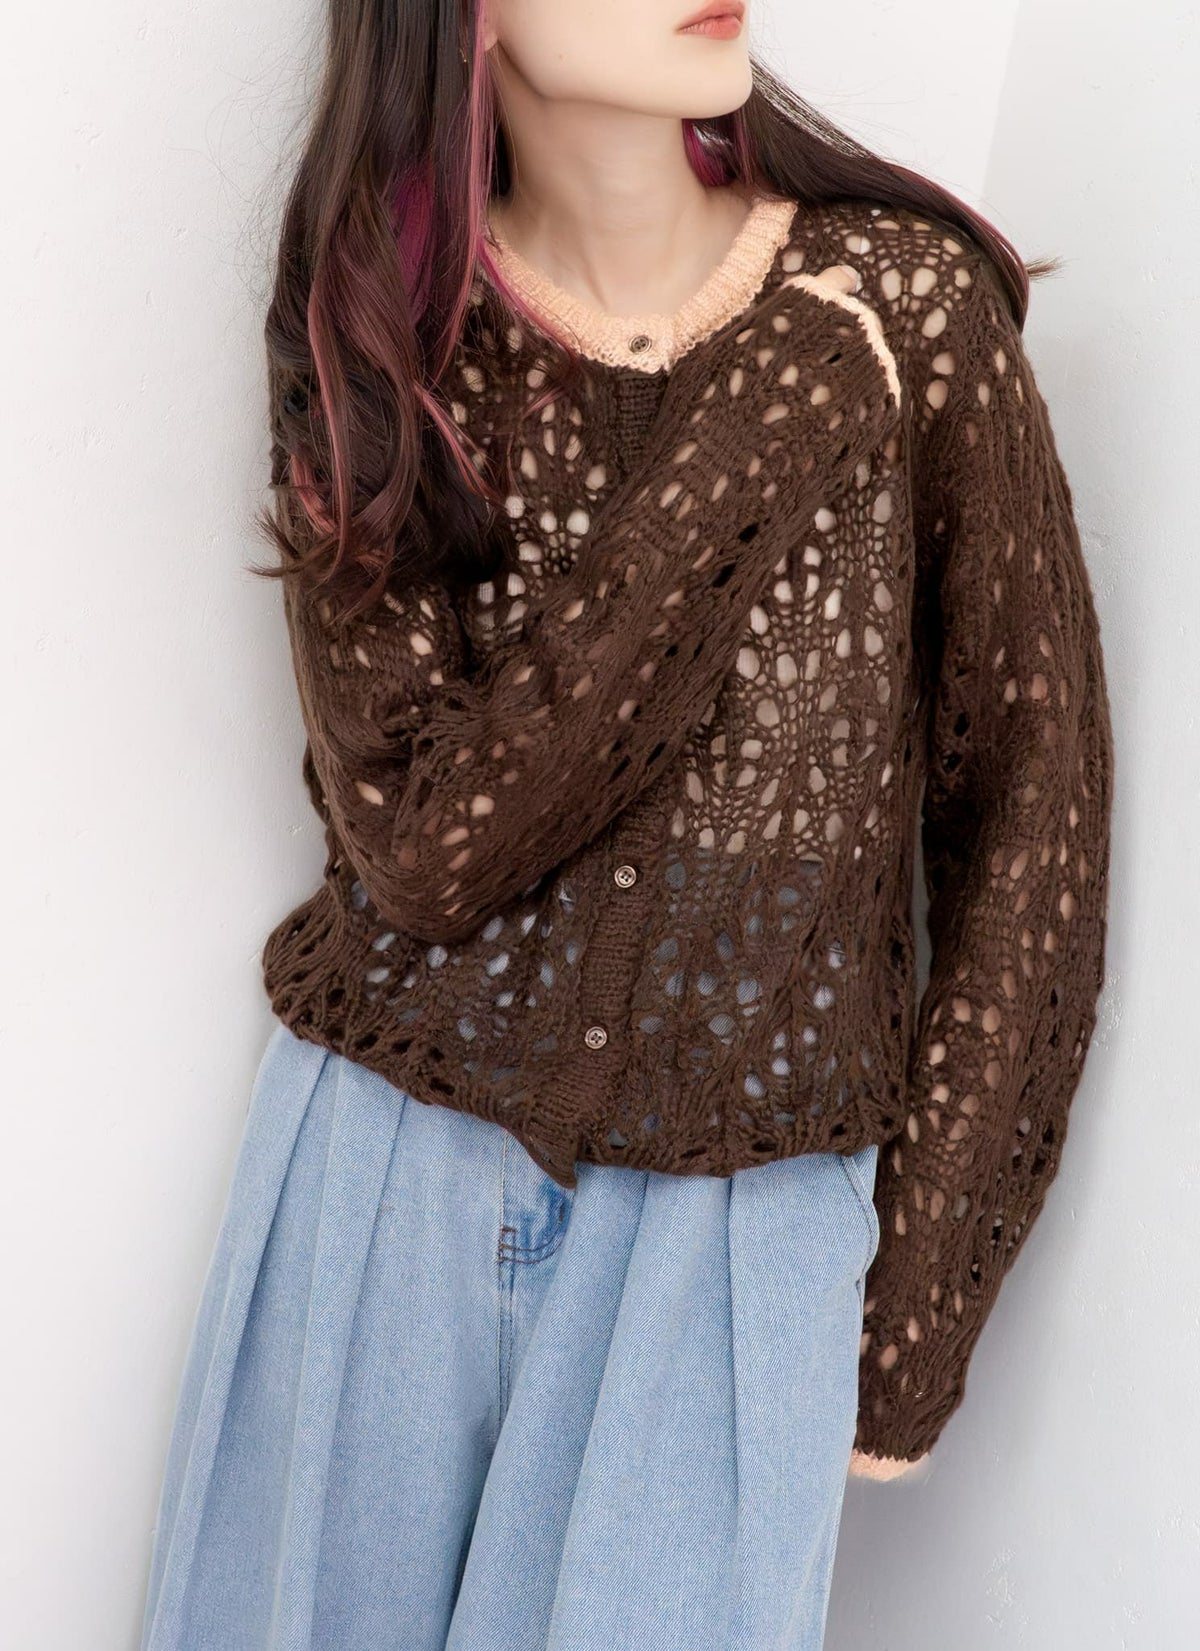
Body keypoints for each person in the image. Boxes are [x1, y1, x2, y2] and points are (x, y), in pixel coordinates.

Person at [138, 2, 1115, 1648]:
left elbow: (1034, 810)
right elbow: (427, 851)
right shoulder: (382, 340)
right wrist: (754, 437)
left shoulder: (906, 312)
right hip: (380, 1181)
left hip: (736, 1235)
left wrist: (913, 1312)